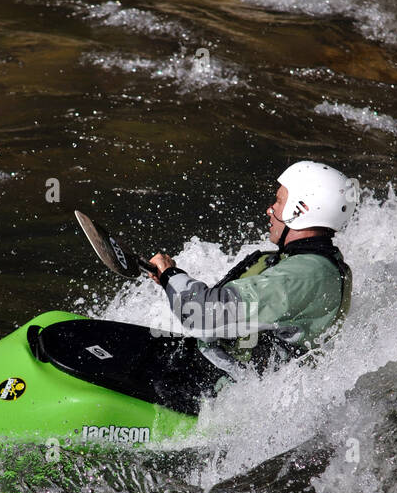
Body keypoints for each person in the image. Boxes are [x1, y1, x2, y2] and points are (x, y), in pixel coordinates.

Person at [140, 161, 356, 408]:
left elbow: (203, 315)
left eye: (279, 201)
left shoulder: (304, 276)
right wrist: (172, 281)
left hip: (219, 395)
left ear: (302, 209)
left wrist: (171, 275)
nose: (270, 209)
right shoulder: (315, 264)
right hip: (221, 371)